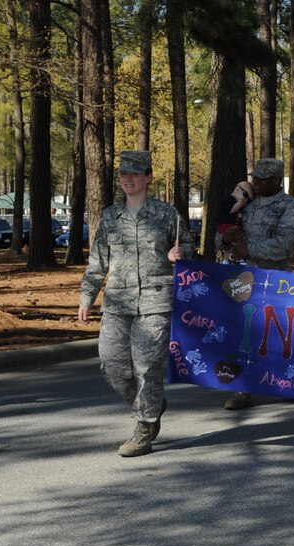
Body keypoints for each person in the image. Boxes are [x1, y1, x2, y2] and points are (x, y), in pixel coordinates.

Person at [78, 150, 192, 457]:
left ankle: (145, 426)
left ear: (148, 178)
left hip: (156, 300)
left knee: (147, 367)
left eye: (134, 174)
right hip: (117, 302)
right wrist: (87, 297)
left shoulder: (167, 214)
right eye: (123, 174)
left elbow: (188, 249)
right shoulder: (110, 217)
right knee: (111, 365)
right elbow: (97, 261)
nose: (128, 179)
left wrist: (178, 255)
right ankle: (150, 402)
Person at [223, 158, 294, 411]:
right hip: (243, 279)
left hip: (275, 281)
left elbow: (285, 245)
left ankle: (285, 381)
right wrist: (224, 238)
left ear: (277, 180)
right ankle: (242, 389)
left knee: (277, 334)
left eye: (262, 179)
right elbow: (223, 232)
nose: (256, 182)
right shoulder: (246, 202)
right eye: (254, 177)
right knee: (243, 332)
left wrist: (251, 249)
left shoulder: (289, 207)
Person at [215, 180, 255, 263]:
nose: (245, 200)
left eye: (249, 200)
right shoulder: (229, 200)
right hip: (227, 226)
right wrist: (239, 203)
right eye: (245, 195)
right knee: (230, 244)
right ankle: (226, 260)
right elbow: (230, 210)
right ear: (237, 189)